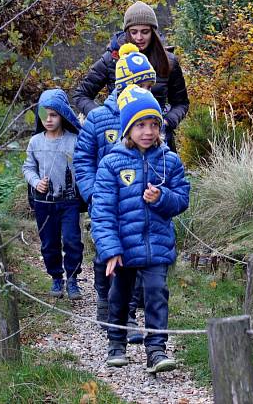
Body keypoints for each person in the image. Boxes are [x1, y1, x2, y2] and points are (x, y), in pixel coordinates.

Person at [90, 85, 190, 373]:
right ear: (128, 128)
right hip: (122, 248)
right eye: (141, 125)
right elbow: (102, 211)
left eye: (154, 125)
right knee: (119, 298)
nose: (148, 131)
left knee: (157, 293)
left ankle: (156, 351)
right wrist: (109, 250)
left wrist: (162, 199)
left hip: (157, 245)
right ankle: (116, 344)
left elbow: (182, 199)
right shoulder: (111, 163)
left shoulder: (168, 160)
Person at [73, 43, 155, 341]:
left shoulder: (149, 119)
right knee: (105, 254)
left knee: (131, 257)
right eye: (143, 85)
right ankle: (104, 303)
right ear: (126, 85)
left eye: (150, 86)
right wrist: (93, 194)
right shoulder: (98, 118)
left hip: (137, 203)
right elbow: (83, 160)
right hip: (106, 201)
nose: (148, 91)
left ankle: (127, 317)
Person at [72, 1, 189, 152]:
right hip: (121, 141)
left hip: (157, 139)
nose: (139, 37)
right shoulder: (112, 59)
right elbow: (81, 95)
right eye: (134, 32)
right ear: (127, 32)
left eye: (145, 32)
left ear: (153, 31)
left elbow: (181, 103)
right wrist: (103, 119)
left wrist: (167, 122)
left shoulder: (169, 61)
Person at [22, 89, 84, 300]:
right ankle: (56, 277)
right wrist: (37, 182)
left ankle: (73, 279)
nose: (48, 120)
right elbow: (28, 168)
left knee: (72, 240)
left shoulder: (75, 140)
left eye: (53, 115)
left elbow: (84, 166)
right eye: (44, 115)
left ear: (63, 115)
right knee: (49, 243)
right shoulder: (35, 142)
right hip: (43, 203)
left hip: (69, 202)